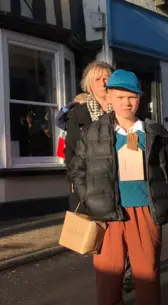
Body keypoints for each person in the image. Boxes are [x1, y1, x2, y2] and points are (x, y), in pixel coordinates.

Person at [67, 70, 168, 305]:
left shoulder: (153, 132)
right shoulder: (93, 131)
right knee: (108, 274)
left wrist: (165, 203)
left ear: (139, 99)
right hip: (108, 212)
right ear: (109, 98)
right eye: (120, 97)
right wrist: (88, 198)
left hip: (144, 211)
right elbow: (76, 168)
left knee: (147, 272)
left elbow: (167, 170)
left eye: (131, 97)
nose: (126, 103)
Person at [64, 61, 114, 213]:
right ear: (89, 85)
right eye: (97, 80)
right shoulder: (77, 114)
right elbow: (71, 150)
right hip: (88, 183)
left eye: (106, 78)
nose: (103, 83)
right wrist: (76, 179)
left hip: (116, 181)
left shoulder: (121, 110)